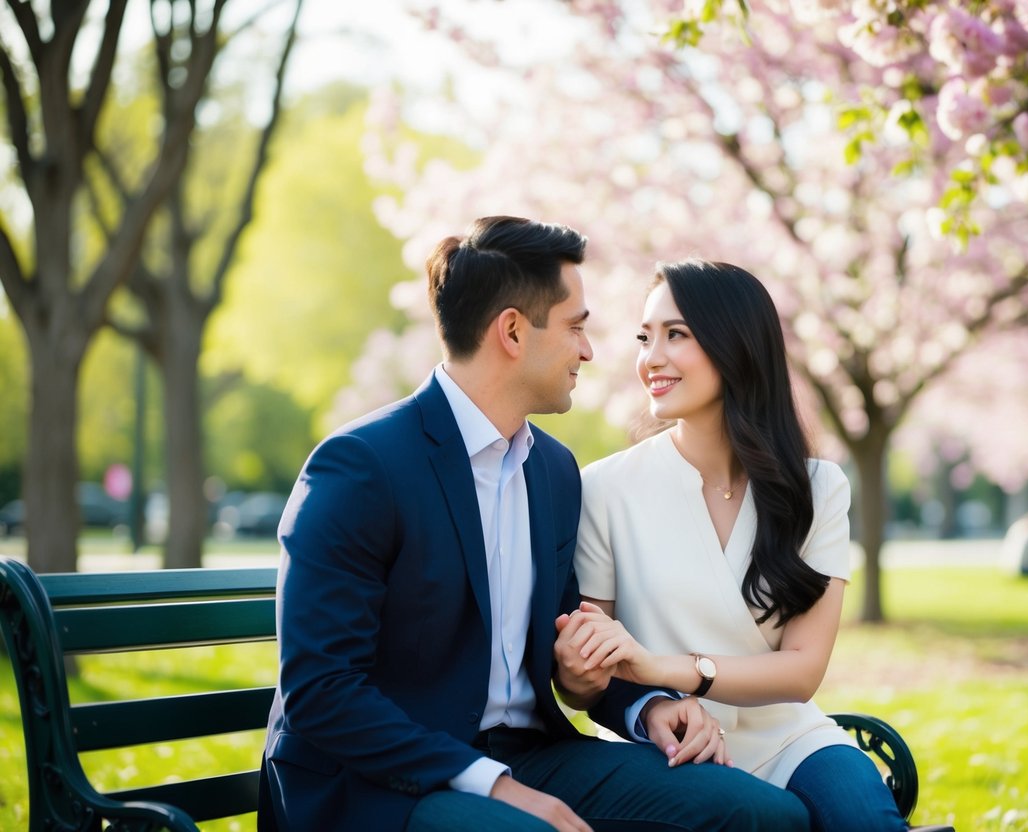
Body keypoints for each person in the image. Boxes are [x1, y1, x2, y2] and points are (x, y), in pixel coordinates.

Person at [259, 220, 810, 832]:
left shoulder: (551, 469)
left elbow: (569, 640)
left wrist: (649, 707)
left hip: (530, 756)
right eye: (576, 326)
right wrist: (492, 786)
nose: (590, 350)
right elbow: (321, 690)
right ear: (514, 331)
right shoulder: (361, 467)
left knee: (764, 816)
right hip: (379, 785)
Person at [555, 260, 907, 831]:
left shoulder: (817, 488)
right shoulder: (604, 488)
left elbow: (801, 672)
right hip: (667, 745)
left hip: (790, 737)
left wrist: (665, 666)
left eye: (677, 335)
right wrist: (649, 695)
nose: (651, 359)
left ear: (735, 344)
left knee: (864, 817)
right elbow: (590, 677)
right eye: (646, 338)